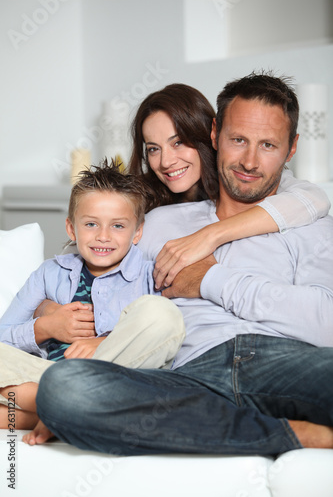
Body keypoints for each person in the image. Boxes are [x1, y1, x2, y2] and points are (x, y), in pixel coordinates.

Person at [34, 72, 333, 455]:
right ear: (214, 135)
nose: (250, 161)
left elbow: (326, 324)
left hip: (285, 362)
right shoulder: (160, 222)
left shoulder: (311, 223)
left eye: (269, 145)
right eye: (238, 140)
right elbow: (77, 272)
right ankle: (291, 435)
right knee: (65, 389)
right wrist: (50, 311)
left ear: (291, 150)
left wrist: (209, 279)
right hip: (189, 374)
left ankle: (219, 429)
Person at [0, 162, 185, 437]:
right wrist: (45, 327)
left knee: (162, 314)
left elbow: (164, 338)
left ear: (137, 232)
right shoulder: (49, 273)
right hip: (46, 376)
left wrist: (105, 342)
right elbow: (3, 336)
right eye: (90, 224)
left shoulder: (151, 275)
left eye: (118, 226)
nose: (103, 236)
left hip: (114, 379)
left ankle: (66, 404)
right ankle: (59, 407)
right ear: (71, 229)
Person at [129, 83, 330, 290]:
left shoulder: (243, 179)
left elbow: (314, 198)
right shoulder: (147, 208)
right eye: (153, 149)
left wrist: (209, 235)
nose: (165, 161)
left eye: (178, 142)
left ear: (208, 136)